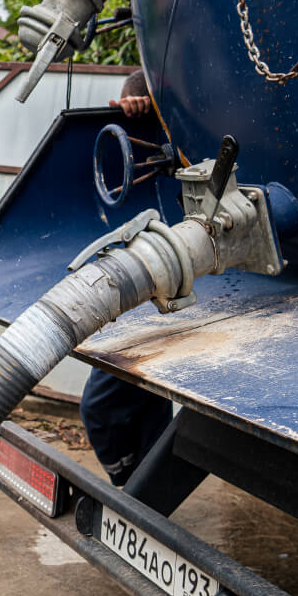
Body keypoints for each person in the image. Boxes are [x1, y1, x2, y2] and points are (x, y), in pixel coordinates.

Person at [85, 70, 175, 485]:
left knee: (121, 402)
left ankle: (138, 483)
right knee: (118, 402)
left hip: (174, 290)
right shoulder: (124, 152)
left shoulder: (188, 138)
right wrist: (129, 115)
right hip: (137, 291)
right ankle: (136, 482)